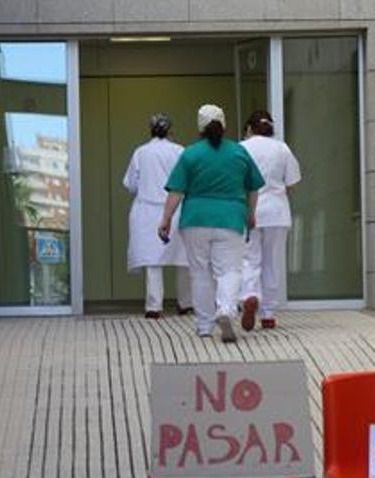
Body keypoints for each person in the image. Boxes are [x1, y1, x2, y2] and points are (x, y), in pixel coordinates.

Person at [158, 104, 265, 343]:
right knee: (230, 270)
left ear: (200, 128)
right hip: (231, 218)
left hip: (195, 219)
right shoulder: (239, 152)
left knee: (200, 273)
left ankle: (204, 326)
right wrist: (251, 213)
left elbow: (176, 191)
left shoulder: (190, 154)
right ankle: (226, 309)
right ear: (224, 125)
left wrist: (165, 219)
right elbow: (254, 187)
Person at [123, 113, 192, 319]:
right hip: (176, 208)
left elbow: (130, 184)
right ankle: (185, 303)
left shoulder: (141, 152)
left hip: (146, 211)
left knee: (153, 260)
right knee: (183, 258)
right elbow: (188, 180)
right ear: (170, 131)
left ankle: (154, 306)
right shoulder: (180, 151)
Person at [238, 110, 301, 330]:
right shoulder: (282, 148)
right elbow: (293, 182)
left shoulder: (242, 148)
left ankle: (249, 295)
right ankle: (268, 313)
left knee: (249, 259)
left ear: (249, 128)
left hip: (250, 210)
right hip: (277, 211)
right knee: (271, 262)